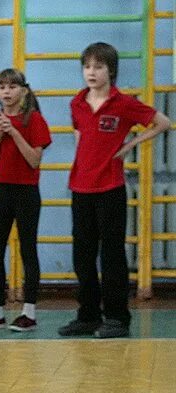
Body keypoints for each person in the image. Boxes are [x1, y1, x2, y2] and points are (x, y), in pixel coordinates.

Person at [58, 42, 170, 339]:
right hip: (80, 188)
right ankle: (88, 315)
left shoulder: (124, 103)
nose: (91, 72)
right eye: (87, 67)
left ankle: (118, 317)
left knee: (112, 256)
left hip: (111, 188)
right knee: (82, 256)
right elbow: (81, 137)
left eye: (98, 67)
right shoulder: (77, 103)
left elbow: (162, 122)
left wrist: (131, 144)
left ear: (111, 70)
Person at [0, 69, 51, 332]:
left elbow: (35, 160)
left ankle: (29, 311)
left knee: (28, 249)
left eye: (12, 86)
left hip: (27, 191)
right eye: (2, 87)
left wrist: (15, 132)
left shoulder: (35, 120)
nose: (6, 92)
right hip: (2, 190)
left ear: (23, 91)